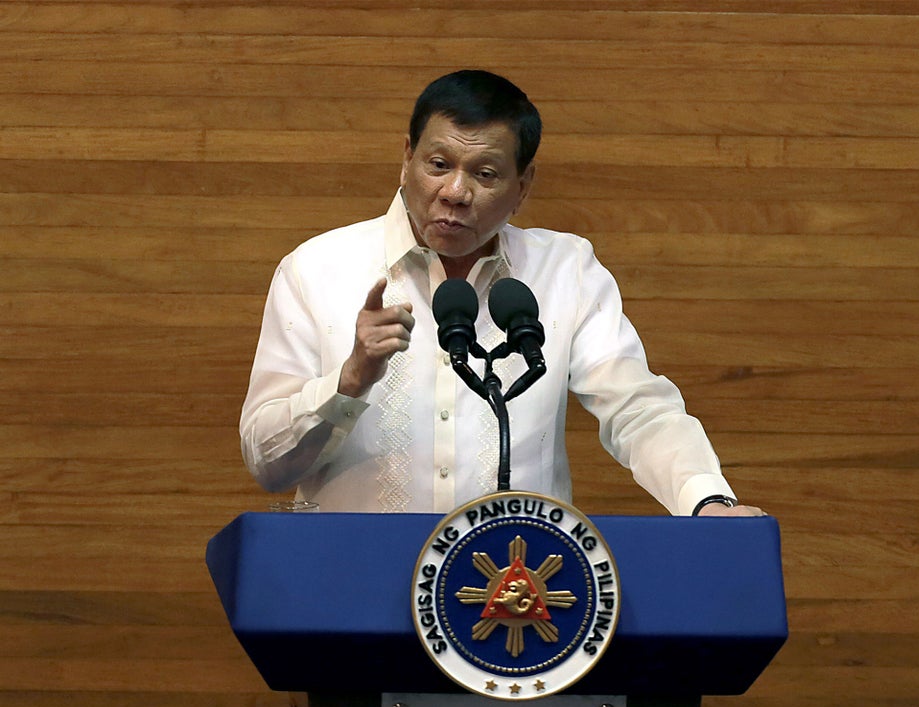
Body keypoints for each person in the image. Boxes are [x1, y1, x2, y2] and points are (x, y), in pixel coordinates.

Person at [240, 69, 764, 518]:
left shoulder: (565, 271)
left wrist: (706, 500)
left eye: (485, 173)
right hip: (355, 580)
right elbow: (266, 464)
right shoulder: (318, 269)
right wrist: (349, 380)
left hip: (516, 586)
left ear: (523, 186)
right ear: (406, 158)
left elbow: (637, 408)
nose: (455, 192)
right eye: (438, 165)